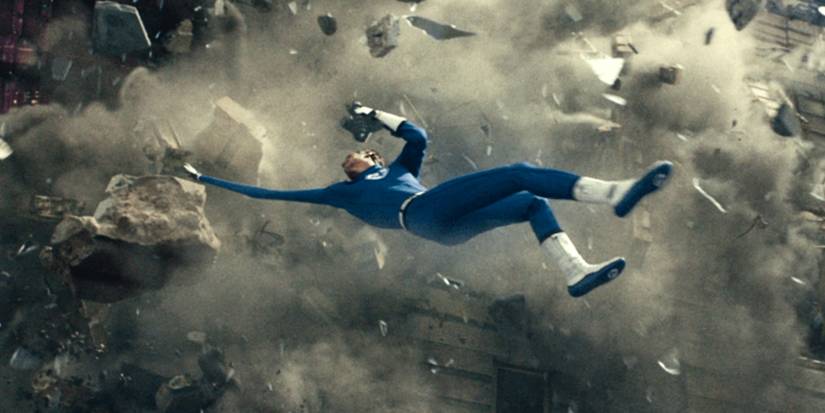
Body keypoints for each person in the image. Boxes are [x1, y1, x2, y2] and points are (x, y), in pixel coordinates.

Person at [183, 103, 672, 297]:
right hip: (423, 217)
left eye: (354, 153)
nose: (346, 158)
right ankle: (613, 193)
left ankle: (576, 272)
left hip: (441, 226)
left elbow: (418, 135)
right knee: (518, 172)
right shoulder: (342, 194)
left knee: (529, 200)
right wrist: (205, 178)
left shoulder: (399, 170)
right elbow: (270, 193)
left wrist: (375, 112)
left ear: (373, 157)